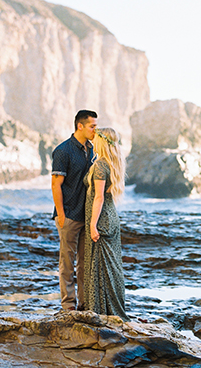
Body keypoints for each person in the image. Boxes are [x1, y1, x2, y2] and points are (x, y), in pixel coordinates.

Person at [51, 110, 98, 311]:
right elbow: (55, 185)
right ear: (80, 126)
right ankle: (68, 306)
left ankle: (85, 305)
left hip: (86, 217)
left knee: (84, 264)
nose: (95, 130)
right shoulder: (63, 151)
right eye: (92, 126)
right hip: (69, 215)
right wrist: (61, 215)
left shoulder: (92, 150)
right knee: (67, 264)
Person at [83, 127, 129, 320]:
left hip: (101, 218)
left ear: (102, 142)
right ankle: (110, 309)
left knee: (99, 266)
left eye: (96, 138)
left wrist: (93, 225)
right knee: (111, 267)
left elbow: (99, 197)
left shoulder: (101, 165)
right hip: (111, 217)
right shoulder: (114, 163)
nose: (92, 140)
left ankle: (100, 311)